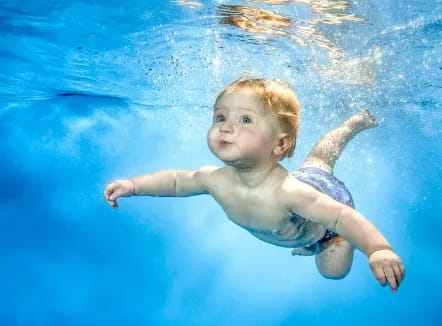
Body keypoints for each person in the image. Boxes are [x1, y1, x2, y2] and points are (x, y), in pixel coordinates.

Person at [103, 78, 405, 292]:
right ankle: (346, 131)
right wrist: (133, 185)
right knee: (317, 161)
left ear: (280, 144)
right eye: (220, 116)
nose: (226, 126)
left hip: (327, 223)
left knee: (332, 273)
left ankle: (349, 129)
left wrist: (378, 249)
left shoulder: (290, 192)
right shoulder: (214, 179)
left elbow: (341, 217)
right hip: (299, 211)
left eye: (245, 120)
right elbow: (176, 180)